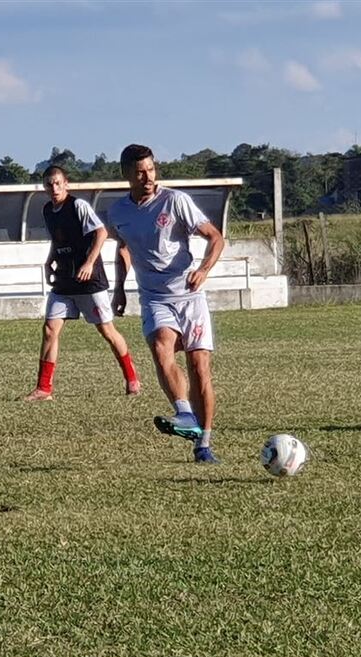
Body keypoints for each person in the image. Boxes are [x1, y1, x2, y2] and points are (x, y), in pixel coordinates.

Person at [107, 144, 226, 464]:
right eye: (139, 172)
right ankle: (184, 414)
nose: (147, 177)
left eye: (151, 170)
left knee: (199, 368)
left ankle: (204, 444)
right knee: (161, 345)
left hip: (189, 296)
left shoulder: (175, 201)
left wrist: (202, 270)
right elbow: (124, 248)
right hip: (154, 296)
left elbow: (215, 237)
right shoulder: (118, 212)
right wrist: (119, 288)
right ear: (126, 175)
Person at [23, 165, 141, 401]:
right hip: (65, 280)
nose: (54, 188)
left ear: (66, 184)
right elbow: (57, 241)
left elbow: (101, 233)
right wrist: (49, 261)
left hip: (89, 281)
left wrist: (89, 263)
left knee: (107, 331)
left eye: (58, 183)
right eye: (49, 184)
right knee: (49, 330)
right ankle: (44, 388)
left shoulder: (78, 206)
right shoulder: (48, 210)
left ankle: (132, 379)